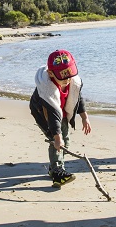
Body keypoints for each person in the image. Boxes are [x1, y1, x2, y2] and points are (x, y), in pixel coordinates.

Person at [30, 49, 92, 186]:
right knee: (56, 140)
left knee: (66, 142)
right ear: (50, 73)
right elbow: (52, 115)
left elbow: (78, 98)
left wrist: (84, 117)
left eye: (70, 75)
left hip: (61, 111)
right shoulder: (47, 89)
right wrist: (57, 137)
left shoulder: (71, 81)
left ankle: (54, 167)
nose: (68, 80)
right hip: (43, 112)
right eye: (64, 77)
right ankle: (58, 171)